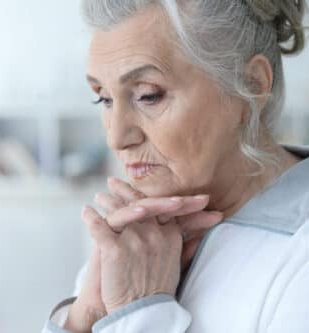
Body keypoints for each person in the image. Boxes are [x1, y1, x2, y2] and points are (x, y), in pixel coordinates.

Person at [41, 1, 309, 332]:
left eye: (148, 95)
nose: (116, 137)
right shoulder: (134, 244)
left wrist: (138, 312)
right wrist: (85, 315)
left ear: (251, 87)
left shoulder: (300, 259)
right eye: (104, 98)